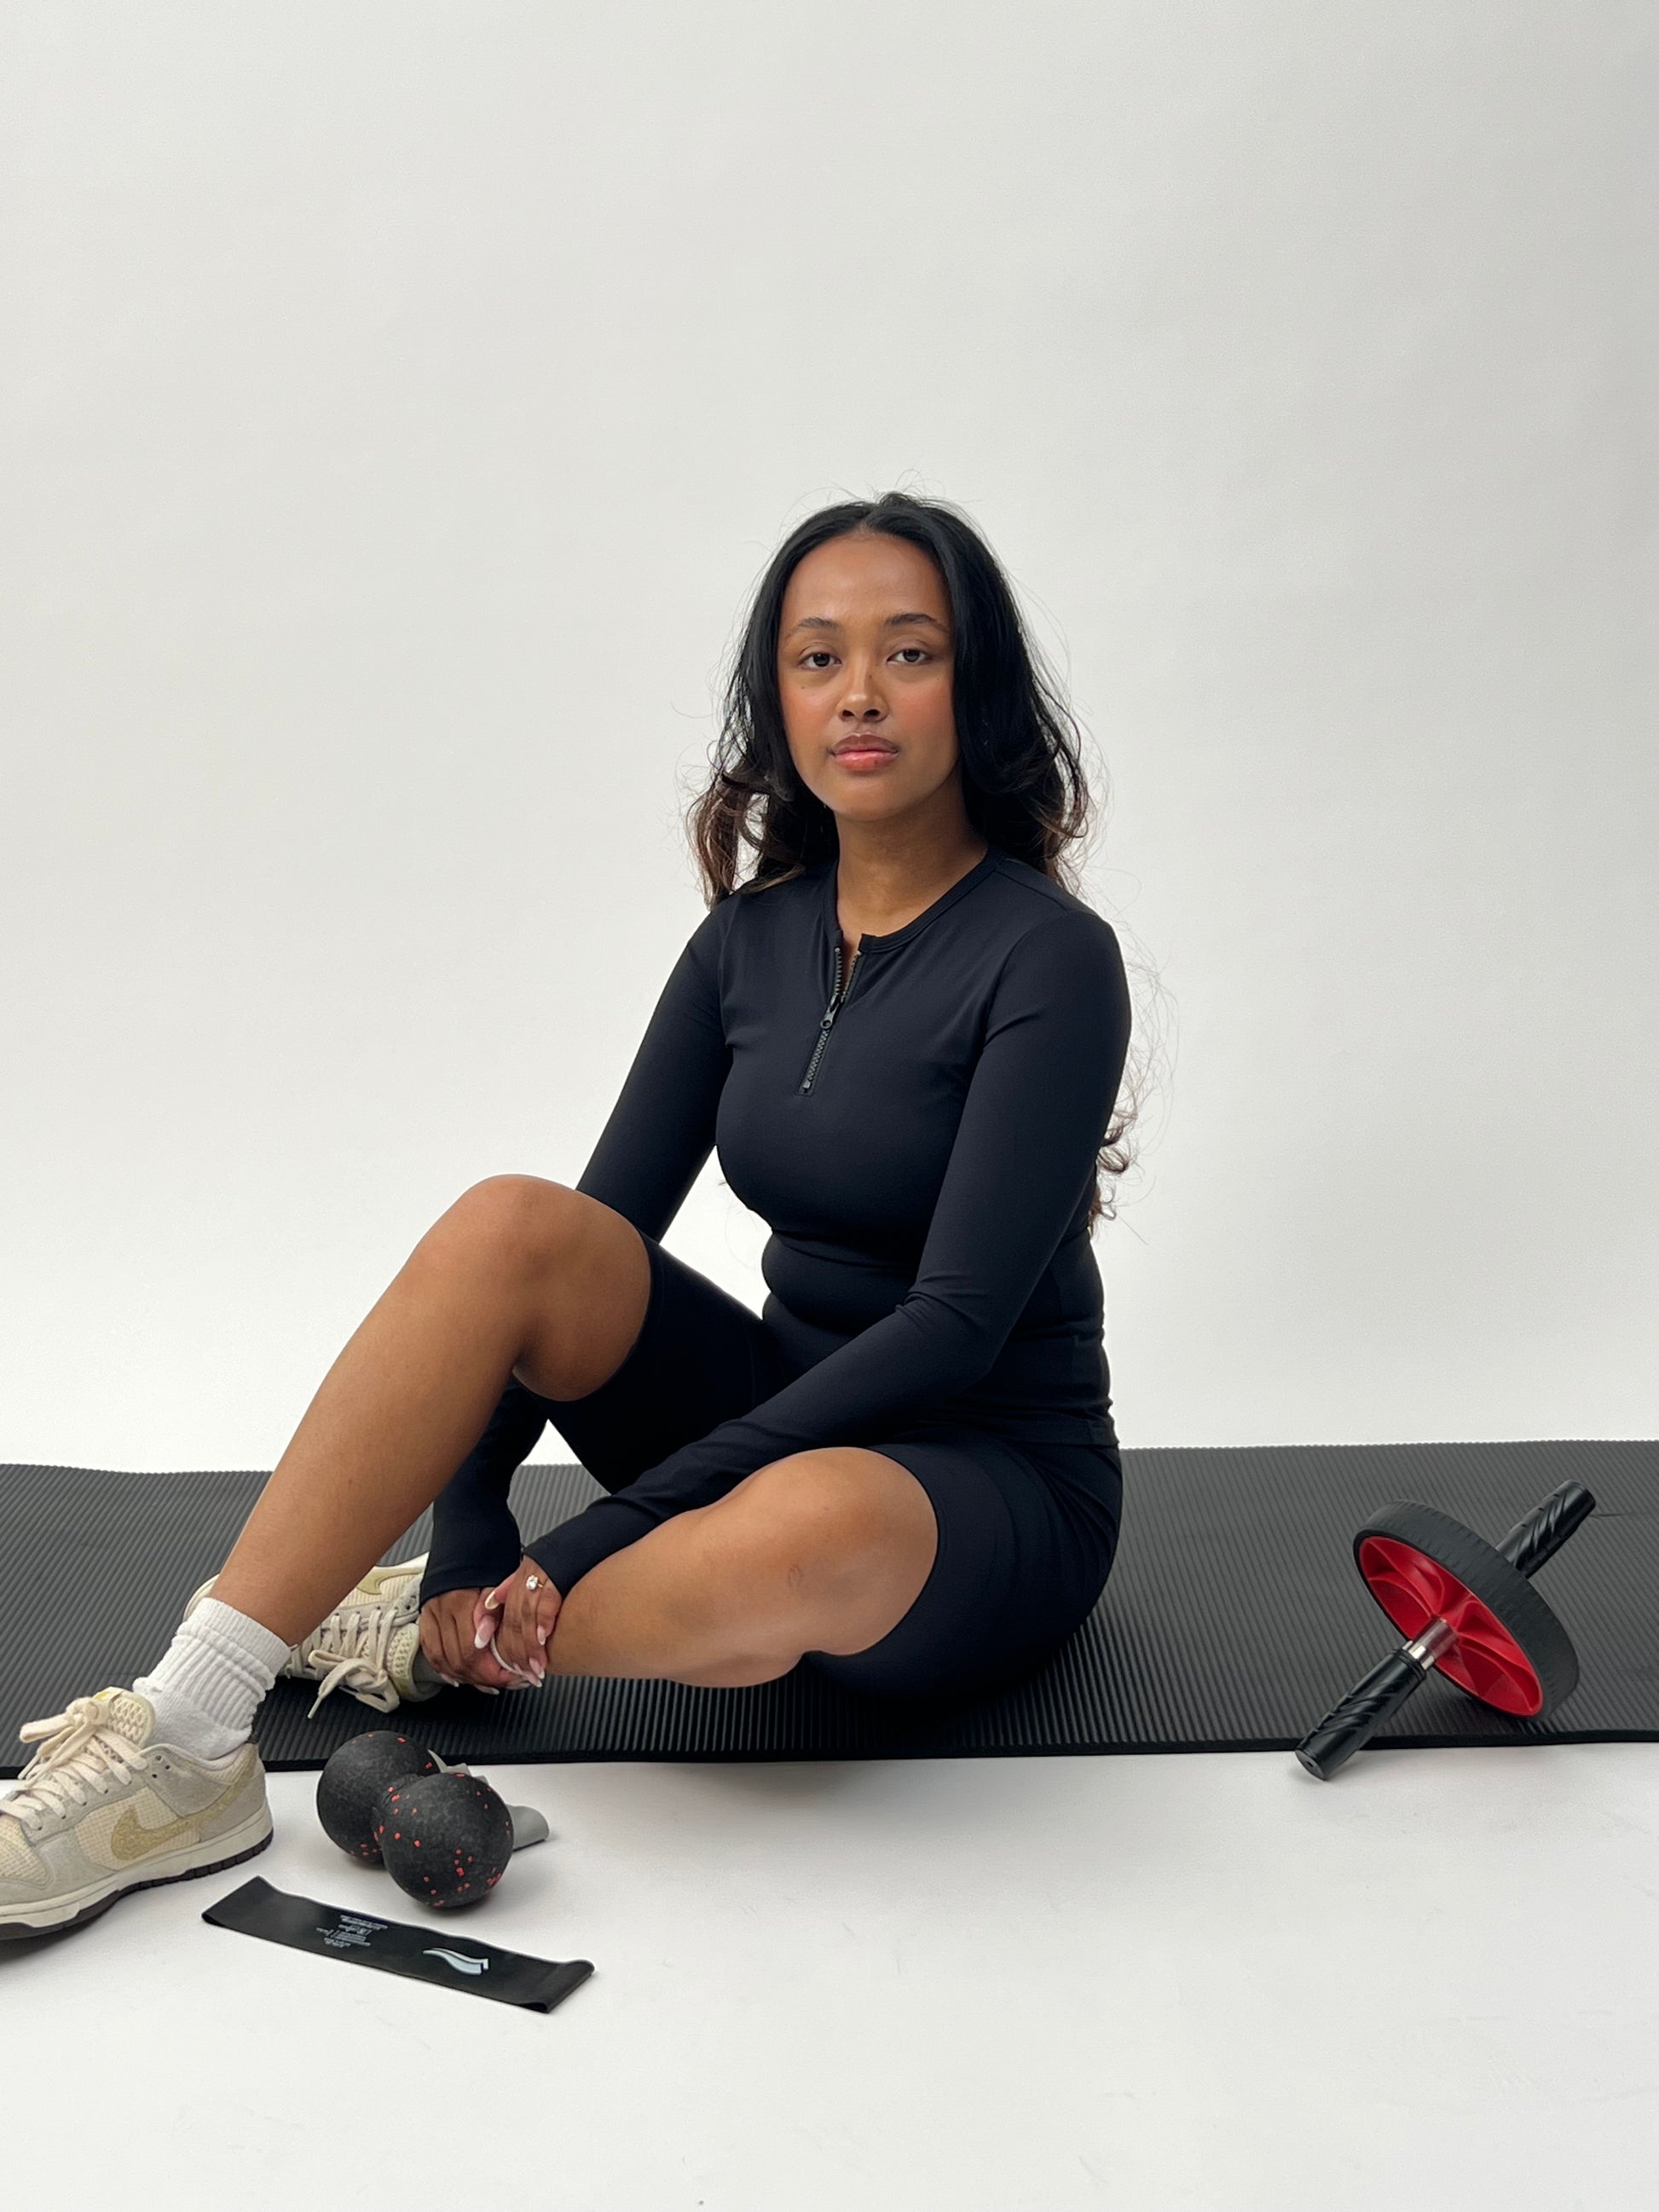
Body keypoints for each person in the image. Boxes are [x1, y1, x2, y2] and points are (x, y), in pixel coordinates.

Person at [0, 490, 1134, 1938]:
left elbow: (954, 1329)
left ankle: (430, 1640)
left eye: (907, 653)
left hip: (977, 1487)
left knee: (798, 1524)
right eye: (816, 658)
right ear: (776, 698)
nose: (858, 692)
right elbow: (574, 1261)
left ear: (972, 688)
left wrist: (602, 1532)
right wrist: (478, 1524)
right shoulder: (747, 943)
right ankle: (187, 1733)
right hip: (780, 1415)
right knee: (511, 1225)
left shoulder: (1049, 958)